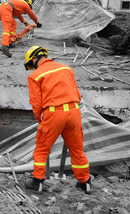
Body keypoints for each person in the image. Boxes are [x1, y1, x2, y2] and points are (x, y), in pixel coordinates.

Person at [24, 46, 91, 194]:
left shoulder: (35, 76)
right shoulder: (66, 68)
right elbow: (77, 93)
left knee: (42, 149)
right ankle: (85, 182)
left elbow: (36, 103)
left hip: (54, 113)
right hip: (74, 111)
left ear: (34, 59)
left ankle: (38, 182)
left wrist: (40, 121)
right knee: (77, 150)